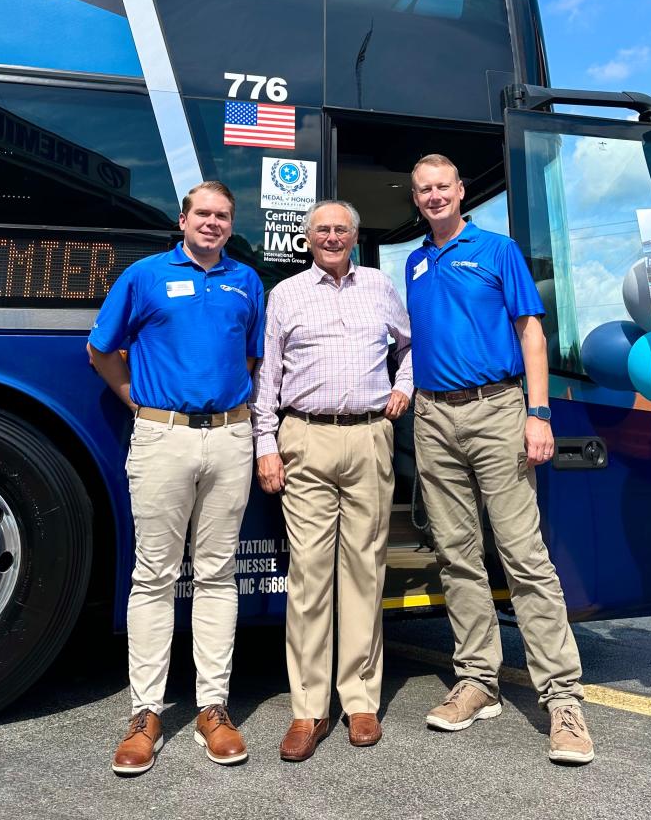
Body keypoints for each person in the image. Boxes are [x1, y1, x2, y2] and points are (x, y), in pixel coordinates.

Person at [405, 155, 594, 765]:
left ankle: (562, 698)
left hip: (497, 410)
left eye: (443, 187)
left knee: (522, 554)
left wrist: (538, 415)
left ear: (462, 192)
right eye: (424, 190)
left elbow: (530, 332)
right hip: (433, 417)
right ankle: (476, 681)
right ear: (416, 199)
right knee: (456, 555)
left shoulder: (497, 249)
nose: (435, 196)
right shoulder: (412, 261)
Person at [88, 180, 264, 776]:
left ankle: (213, 707)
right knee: (154, 575)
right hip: (162, 437)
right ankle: (146, 714)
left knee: (217, 573)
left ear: (230, 224)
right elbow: (101, 349)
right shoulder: (144, 276)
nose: (212, 223)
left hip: (231, 438)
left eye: (223, 216)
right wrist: (132, 398)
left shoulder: (246, 281)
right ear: (183, 220)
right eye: (203, 214)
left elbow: (250, 359)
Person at [251, 200, 412, 762]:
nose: (332, 236)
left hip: (369, 435)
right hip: (305, 440)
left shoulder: (380, 286)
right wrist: (265, 445)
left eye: (342, 228)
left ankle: (361, 700)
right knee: (310, 578)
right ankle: (309, 710)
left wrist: (405, 387)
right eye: (322, 229)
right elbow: (267, 376)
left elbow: (409, 346)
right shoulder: (286, 295)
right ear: (307, 238)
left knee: (365, 571)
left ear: (355, 235)